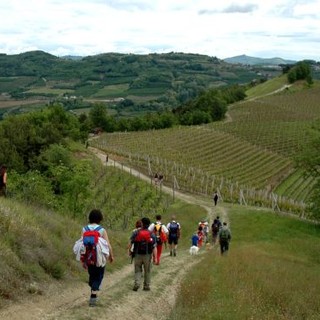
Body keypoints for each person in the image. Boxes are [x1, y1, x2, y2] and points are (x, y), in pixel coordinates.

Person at [82, 209, 114, 306]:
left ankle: (92, 285)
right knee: (99, 276)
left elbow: (82, 244)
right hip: (99, 258)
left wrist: (83, 259)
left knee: (92, 274)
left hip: (89, 257)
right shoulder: (102, 230)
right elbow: (108, 244)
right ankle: (93, 296)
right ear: (100, 218)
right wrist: (111, 255)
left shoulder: (84, 229)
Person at [130, 217, 157, 291]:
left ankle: (137, 283)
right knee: (147, 270)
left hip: (137, 254)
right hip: (147, 255)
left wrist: (130, 251)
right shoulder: (152, 234)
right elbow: (154, 247)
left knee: (138, 269)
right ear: (149, 224)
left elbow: (131, 242)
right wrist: (155, 257)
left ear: (142, 223)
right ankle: (146, 286)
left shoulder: (136, 232)